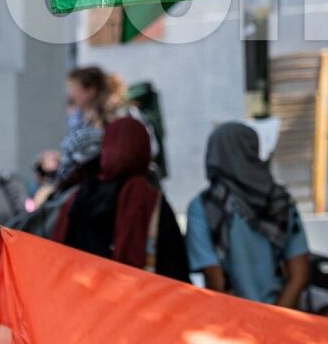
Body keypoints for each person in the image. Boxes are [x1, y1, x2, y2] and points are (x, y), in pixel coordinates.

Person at [185, 122, 310, 306]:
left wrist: (250, 322)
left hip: (234, 322)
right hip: (283, 319)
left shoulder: (204, 207)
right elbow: (299, 275)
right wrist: (276, 319)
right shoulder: (280, 201)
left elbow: (215, 281)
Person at [53, 118, 189, 281]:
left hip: (83, 299)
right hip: (137, 300)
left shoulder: (77, 197)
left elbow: (61, 254)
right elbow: (175, 267)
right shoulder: (150, 201)